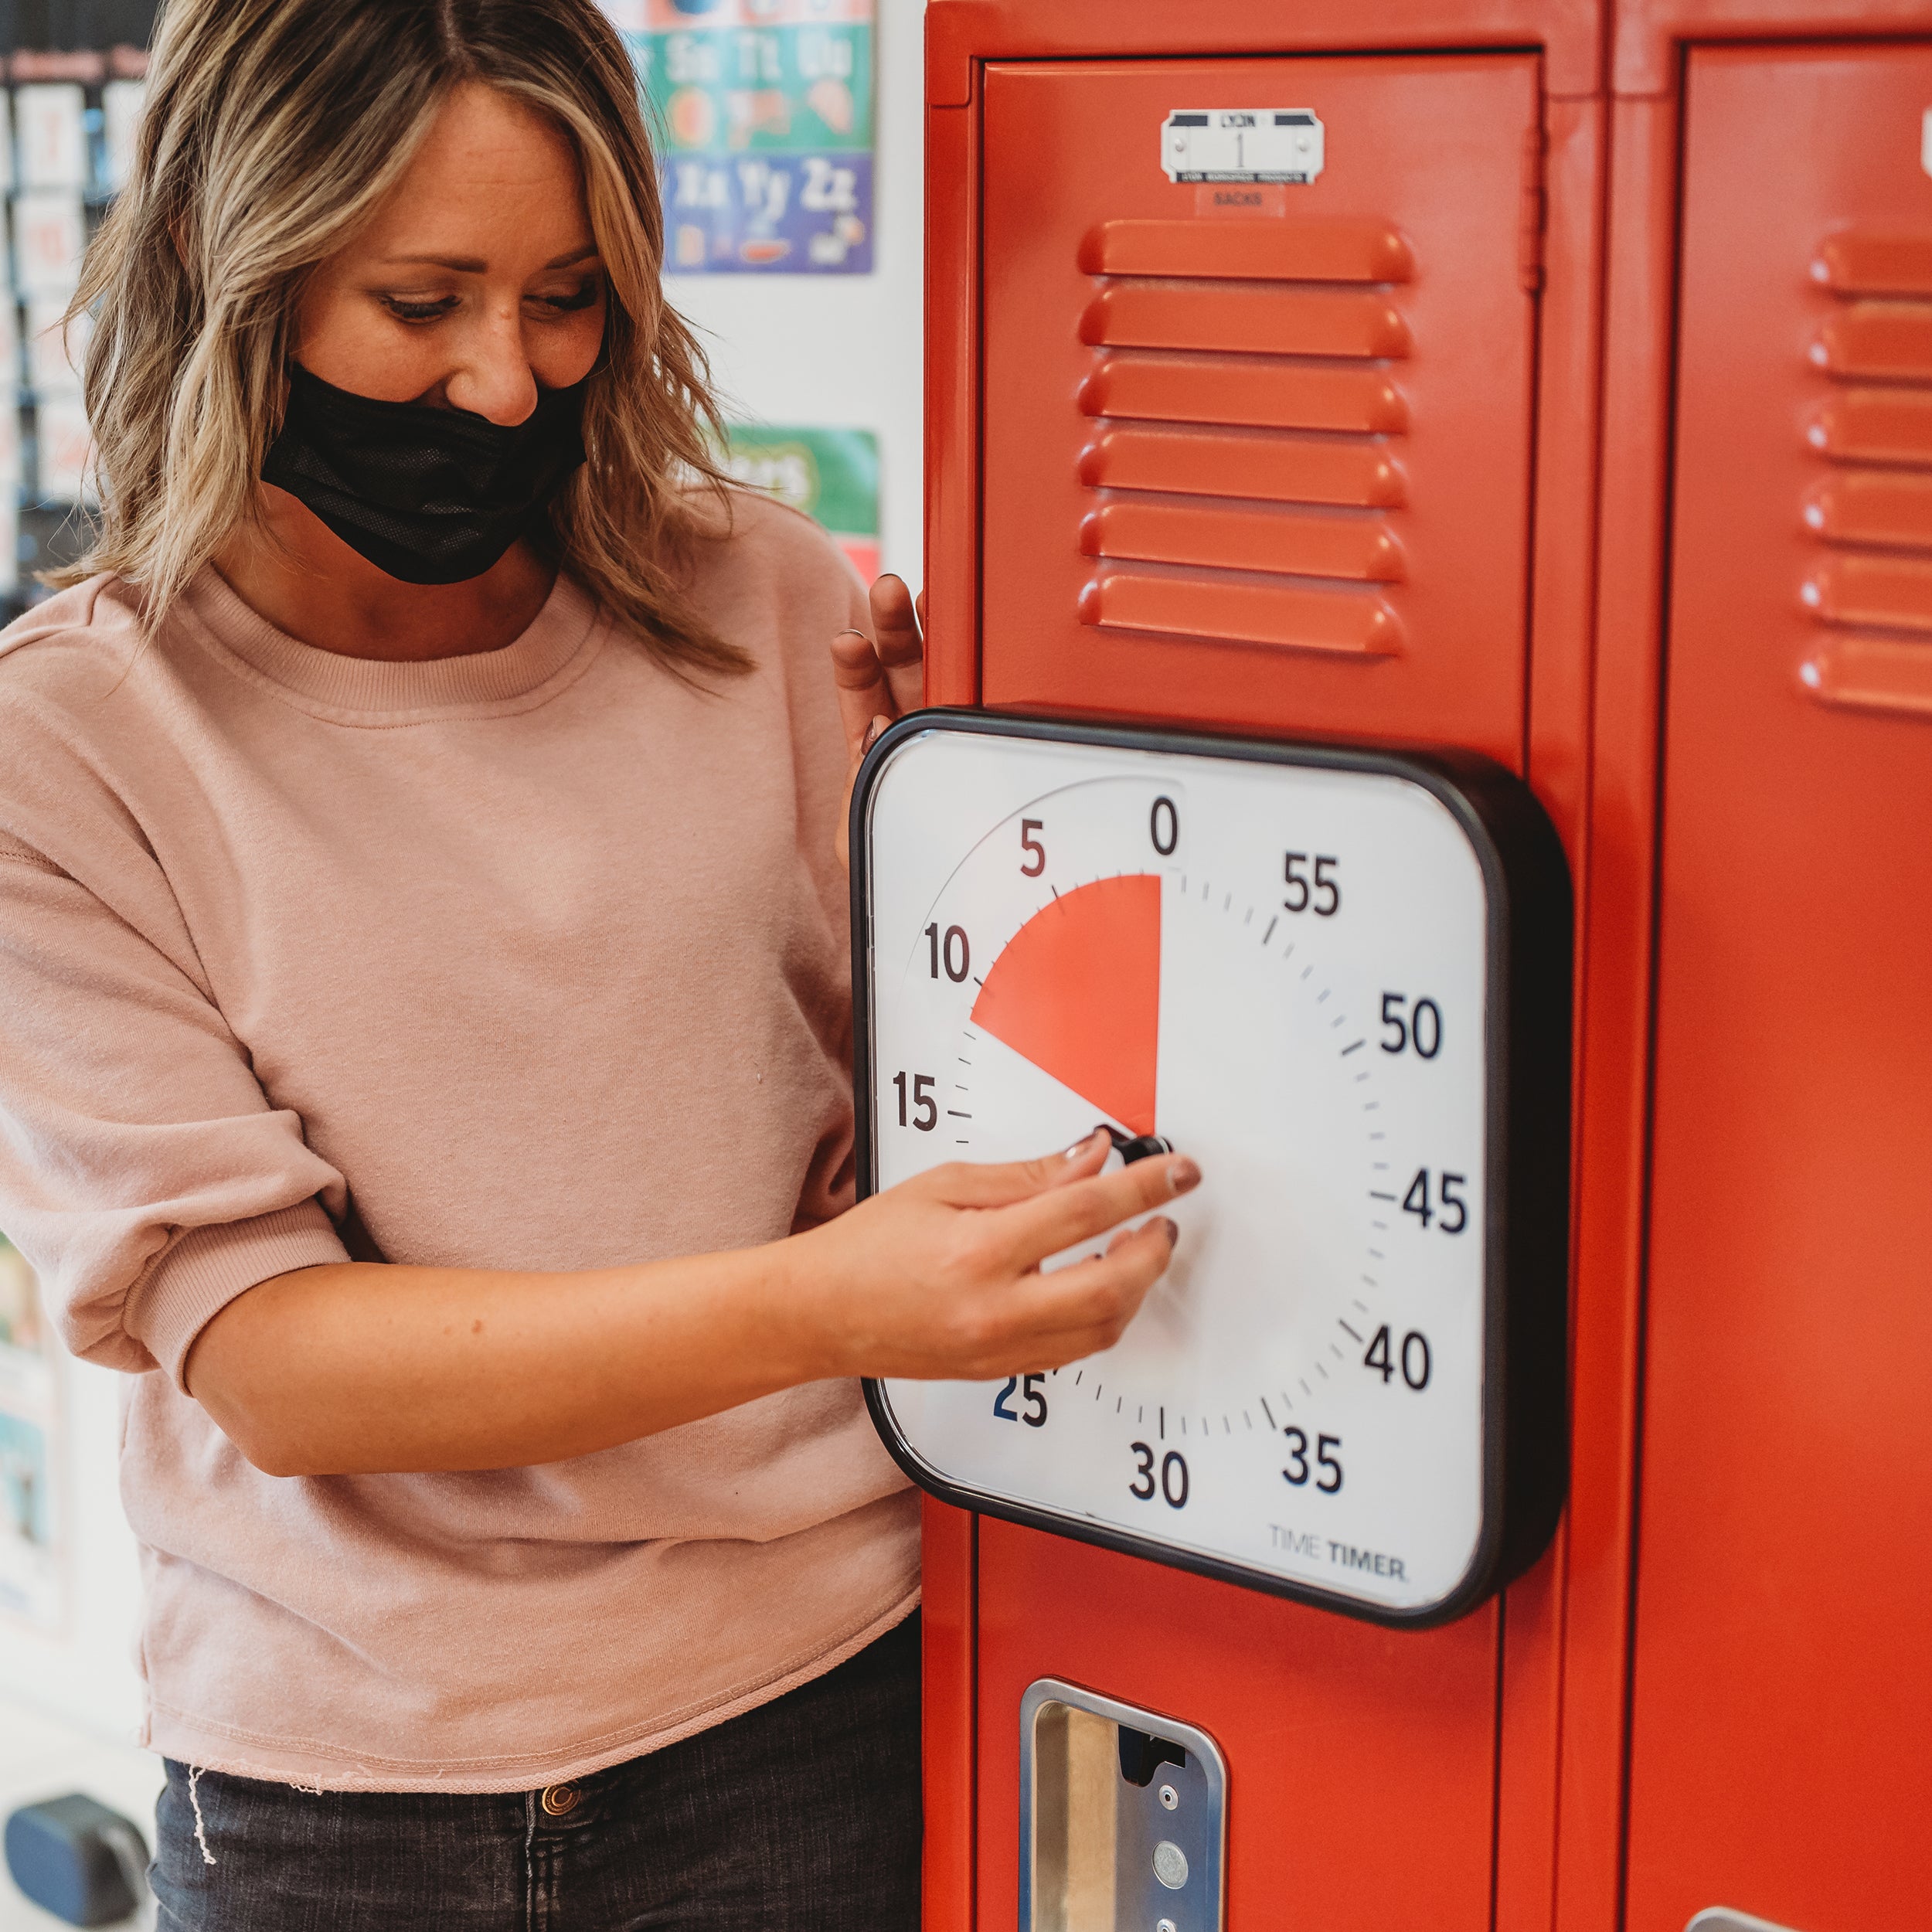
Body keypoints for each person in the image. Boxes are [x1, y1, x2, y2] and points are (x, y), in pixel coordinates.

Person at [0, 2, 1197, 1927]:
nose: (504, 381)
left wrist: (940, 917)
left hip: (815, 1711)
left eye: (565, 295)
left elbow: (884, 1140)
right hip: (343, 1796)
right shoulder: (69, 747)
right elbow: (280, 1364)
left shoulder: (770, 603)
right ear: (239, 276)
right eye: (421, 301)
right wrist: (827, 1302)